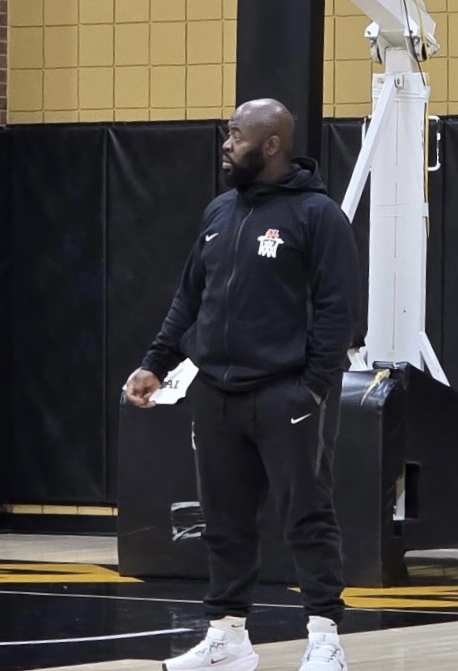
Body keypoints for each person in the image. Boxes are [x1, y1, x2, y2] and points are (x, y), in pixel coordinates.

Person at [124, 98, 363, 671]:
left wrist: (312, 388)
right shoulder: (219, 214)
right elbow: (190, 298)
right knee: (224, 521)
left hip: (286, 396)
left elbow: (339, 311)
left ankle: (325, 637)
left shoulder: (317, 215)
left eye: (235, 134)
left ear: (271, 143)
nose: (226, 144)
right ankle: (228, 638)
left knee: (307, 515)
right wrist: (155, 363)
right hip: (216, 395)